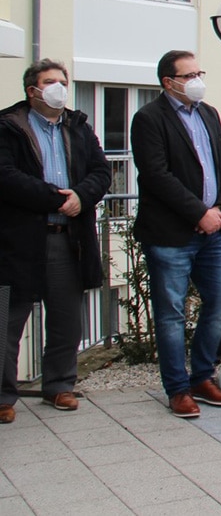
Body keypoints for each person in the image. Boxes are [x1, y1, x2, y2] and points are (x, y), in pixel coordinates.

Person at [0, 59, 112, 424]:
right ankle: (3, 396)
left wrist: (81, 196)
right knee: (7, 322)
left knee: (66, 320)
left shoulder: (78, 126)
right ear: (32, 90)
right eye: (51, 82)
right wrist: (56, 198)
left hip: (69, 238)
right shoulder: (8, 126)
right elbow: (6, 177)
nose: (59, 88)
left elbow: (100, 171)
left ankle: (60, 385)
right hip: (17, 242)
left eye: (63, 81)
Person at [131, 50, 221, 418]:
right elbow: (156, 175)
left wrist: (220, 209)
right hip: (170, 234)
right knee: (171, 313)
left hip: (213, 232)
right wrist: (199, 213)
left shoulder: (208, 113)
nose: (197, 80)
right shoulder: (148, 119)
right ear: (168, 82)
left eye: (199, 72)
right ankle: (178, 389)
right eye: (189, 75)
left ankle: (202, 376)